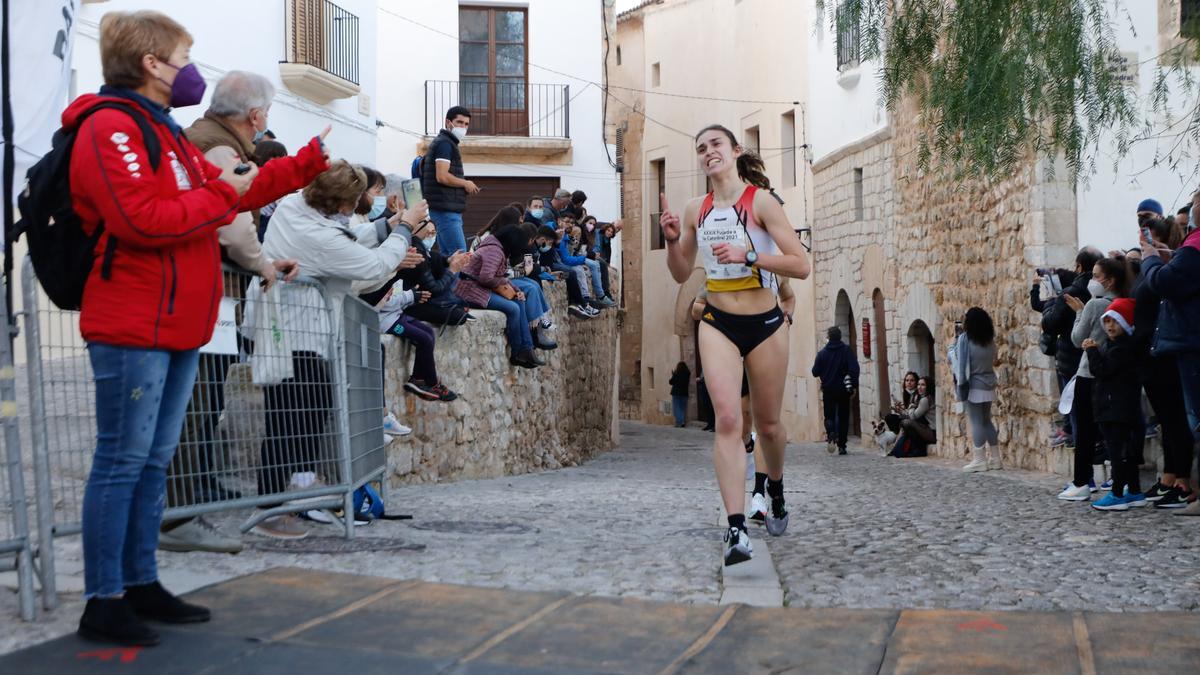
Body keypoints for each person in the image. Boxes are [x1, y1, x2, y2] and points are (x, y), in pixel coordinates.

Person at [65, 10, 330, 646]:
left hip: (177, 318)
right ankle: (103, 598)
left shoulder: (166, 132)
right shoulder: (110, 127)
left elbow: (230, 190)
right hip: (133, 319)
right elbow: (143, 218)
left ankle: (139, 580)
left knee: (154, 462)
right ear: (152, 64)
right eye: (183, 58)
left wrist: (302, 166)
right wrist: (222, 196)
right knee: (121, 461)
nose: (192, 72)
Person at [160, 70, 308, 555]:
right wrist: (262, 264)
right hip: (210, 294)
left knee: (193, 403)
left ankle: (177, 508)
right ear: (255, 115)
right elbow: (235, 226)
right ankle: (175, 516)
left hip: (202, 289)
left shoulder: (202, 138)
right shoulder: (221, 150)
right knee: (196, 403)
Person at [660, 124, 811, 566]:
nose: (708, 153)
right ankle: (736, 527)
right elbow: (680, 271)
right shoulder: (695, 209)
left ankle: (776, 488)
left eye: (716, 145)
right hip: (718, 322)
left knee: (767, 426)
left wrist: (749, 256)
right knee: (728, 419)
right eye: (701, 148)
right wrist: (672, 242)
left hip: (765, 323)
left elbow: (799, 264)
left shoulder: (760, 202)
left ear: (735, 151)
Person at [252, 161, 427, 538]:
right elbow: (371, 263)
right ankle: (269, 509)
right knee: (287, 423)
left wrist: (388, 226)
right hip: (296, 335)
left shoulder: (293, 208)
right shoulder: (321, 238)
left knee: (309, 416)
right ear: (345, 204)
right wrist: (407, 229)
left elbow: (344, 240)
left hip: (296, 332)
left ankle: (301, 493)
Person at [1130, 216, 1195, 509]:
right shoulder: (1168, 261)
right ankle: (1170, 477)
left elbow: (1161, 285)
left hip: (1168, 351)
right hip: (1153, 350)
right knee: (1169, 420)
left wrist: (1153, 261)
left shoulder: (1172, 266)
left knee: (1177, 419)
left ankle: (1182, 479)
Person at [1058, 257, 1132, 500]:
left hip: (1088, 371)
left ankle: (1082, 481)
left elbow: (1077, 339)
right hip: (1113, 374)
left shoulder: (1095, 305)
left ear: (1108, 281)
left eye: (1095, 276)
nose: (1091, 281)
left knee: (1084, 431)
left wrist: (1079, 313)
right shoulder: (1124, 301)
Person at [454, 221, 545, 368]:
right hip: (470, 291)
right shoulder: (494, 251)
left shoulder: (496, 248)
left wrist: (516, 291)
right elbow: (487, 278)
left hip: (479, 288)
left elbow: (498, 276)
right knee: (513, 309)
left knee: (519, 301)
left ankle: (526, 348)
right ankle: (517, 352)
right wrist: (506, 283)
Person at [1082, 299, 1146, 510]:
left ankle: (1117, 494)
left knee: (1117, 453)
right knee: (1126, 452)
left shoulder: (1121, 349)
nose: (1110, 326)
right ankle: (1135, 491)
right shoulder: (1120, 346)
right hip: (1121, 407)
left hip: (1114, 409)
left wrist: (1091, 351)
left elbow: (1101, 371)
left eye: (1115, 322)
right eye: (1107, 322)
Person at [1039, 247, 1105, 448]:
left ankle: (1084, 465)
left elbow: (1050, 323)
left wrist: (1051, 302)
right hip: (1097, 359)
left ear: (1078, 266)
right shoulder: (1103, 293)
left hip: (1072, 359)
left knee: (1078, 413)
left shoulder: (1072, 293)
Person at [421, 106, 480, 254]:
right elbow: (442, 175)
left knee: (448, 259)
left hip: (444, 209)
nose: (463, 127)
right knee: (458, 256)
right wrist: (465, 183)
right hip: (446, 211)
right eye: (459, 122)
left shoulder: (446, 142)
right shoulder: (445, 144)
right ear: (448, 122)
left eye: (466, 124)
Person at [950, 308, 1001, 473]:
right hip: (988, 383)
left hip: (973, 385)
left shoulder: (965, 340)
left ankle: (979, 459)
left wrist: (952, 348)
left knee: (976, 422)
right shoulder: (989, 341)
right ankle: (995, 458)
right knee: (987, 421)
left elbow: (958, 361)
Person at [812, 326, 859, 455]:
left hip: (828, 389)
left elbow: (815, 372)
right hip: (843, 390)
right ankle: (842, 445)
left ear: (829, 337)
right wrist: (853, 385)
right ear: (840, 337)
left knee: (829, 415)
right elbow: (854, 369)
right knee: (843, 417)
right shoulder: (846, 351)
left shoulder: (822, 354)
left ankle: (831, 432)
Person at [889, 376, 937, 457]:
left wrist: (912, 405)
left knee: (906, 423)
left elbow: (912, 417)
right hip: (928, 429)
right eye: (918, 384)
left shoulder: (925, 400)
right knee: (901, 422)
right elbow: (910, 414)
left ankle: (916, 449)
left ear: (928, 386)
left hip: (932, 433)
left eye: (923, 385)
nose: (919, 387)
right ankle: (899, 448)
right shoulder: (924, 398)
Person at [670, 362, 691, 427]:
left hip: (676, 393)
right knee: (682, 408)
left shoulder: (677, 373)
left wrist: (673, 375)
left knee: (676, 408)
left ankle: (680, 422)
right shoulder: (688, 373)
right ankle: (681, 421)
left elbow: (671, 382)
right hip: (684, 393)